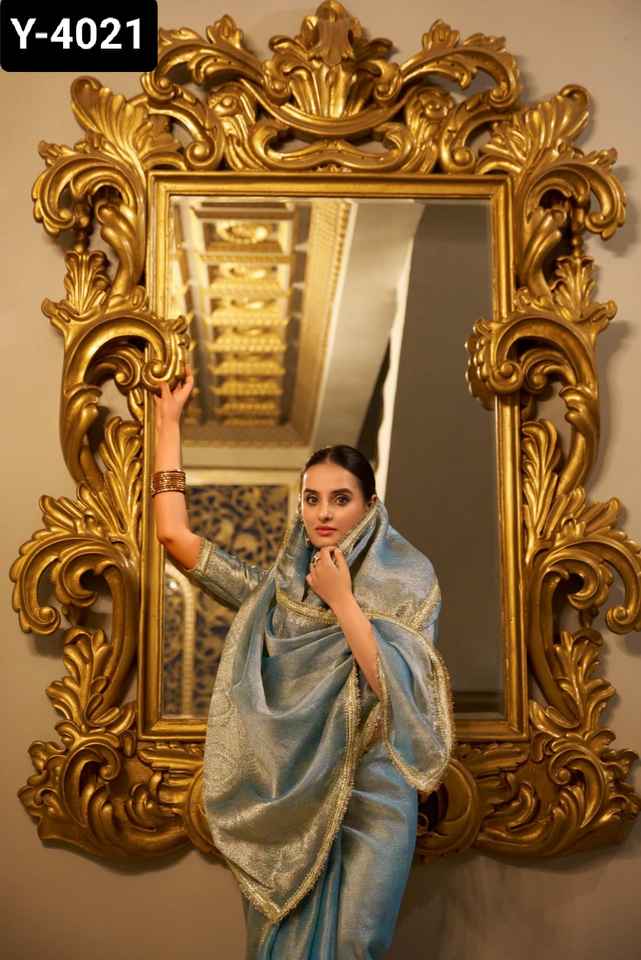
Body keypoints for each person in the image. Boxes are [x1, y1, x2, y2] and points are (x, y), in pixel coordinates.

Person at [152, 366, 455, 959]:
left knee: (356, 945)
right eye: (312, 499)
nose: (324, 513)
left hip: (375, 798)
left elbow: (396, 690)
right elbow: (175, 538)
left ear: (370, 504)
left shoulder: (409, 581)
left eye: (341, 499)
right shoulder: (278, 596)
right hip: (290, 803)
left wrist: (343, 602)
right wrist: (168, 423)